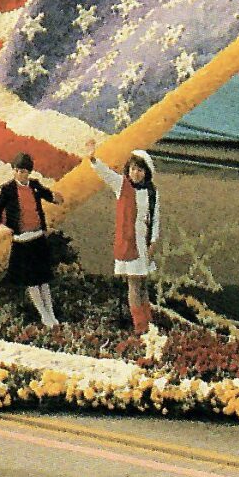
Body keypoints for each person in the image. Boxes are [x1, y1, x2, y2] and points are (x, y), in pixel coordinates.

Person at [85, 142, 162, 335]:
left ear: (147, 172)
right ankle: (141, 327)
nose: (136, 173)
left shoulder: (152, 192)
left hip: (142, 243)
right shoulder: (122, 186)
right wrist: (93, 159)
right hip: (128, 244)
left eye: (140, 170)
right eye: (133, 169)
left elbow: (155, 217)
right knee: (134, 284)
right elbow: (106, 173)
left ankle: (148, 321)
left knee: (143, 284)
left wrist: (153, 241)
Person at [0, 153, 58, 326]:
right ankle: (43, 314)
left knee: (43, 278)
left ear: (29, 172)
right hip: (22, 239)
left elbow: (48, 195)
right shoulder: (8, 190)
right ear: (14, 171)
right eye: (18, 170)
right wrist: (1, 227)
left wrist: (56, 198)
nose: (21, 174)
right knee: (31, 280)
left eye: (24, 171)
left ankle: (51, 313)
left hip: (37, 237)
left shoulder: (34, 185)